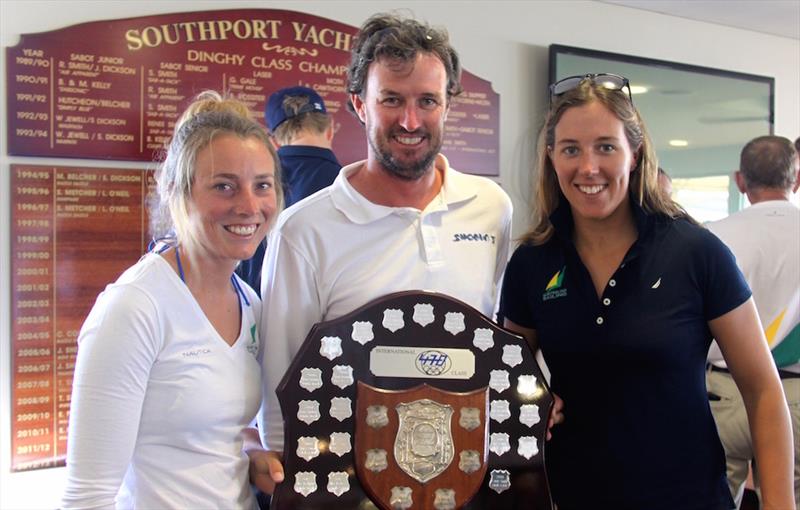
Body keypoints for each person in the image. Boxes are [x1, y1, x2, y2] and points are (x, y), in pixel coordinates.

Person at [498, 74, 793, 509]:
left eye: (606, 147)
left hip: (688, 497)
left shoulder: (696, 253)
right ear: (551, 157)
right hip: (572, 494)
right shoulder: (533, 262)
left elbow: (763, 390)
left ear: (634, 155)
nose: (588, 167)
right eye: (571, 149)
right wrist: (534, 396)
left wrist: (780, 504)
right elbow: (507, 373)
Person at [249, 13, 513, 493]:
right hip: (348, 489)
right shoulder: (303, 231)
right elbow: (281, 384)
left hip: (463, 482)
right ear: (359, 105)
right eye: (391, 99)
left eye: (427, 101)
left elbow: (497, 341)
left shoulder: (491, 209)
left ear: (447, 105)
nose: (410, 121)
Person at [61, 91, 282, 509]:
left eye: (262, 186)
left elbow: (216, 426)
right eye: (224, 186)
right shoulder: (134, 308)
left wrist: (250, 449)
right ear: (176, 191)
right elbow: (85, 497)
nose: (250, 206)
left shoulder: (247, 300)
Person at [706, 135, 800, 508]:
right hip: (794, 395)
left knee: (715, 498)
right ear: (795, 179)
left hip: (723, 394)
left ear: (740, 181)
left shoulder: (713, 236)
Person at [235, 85, 341, 291]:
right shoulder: (349, 186)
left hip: (250, 308)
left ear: (273, 142)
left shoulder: (250, 185)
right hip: (327, 316)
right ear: (330, 130)